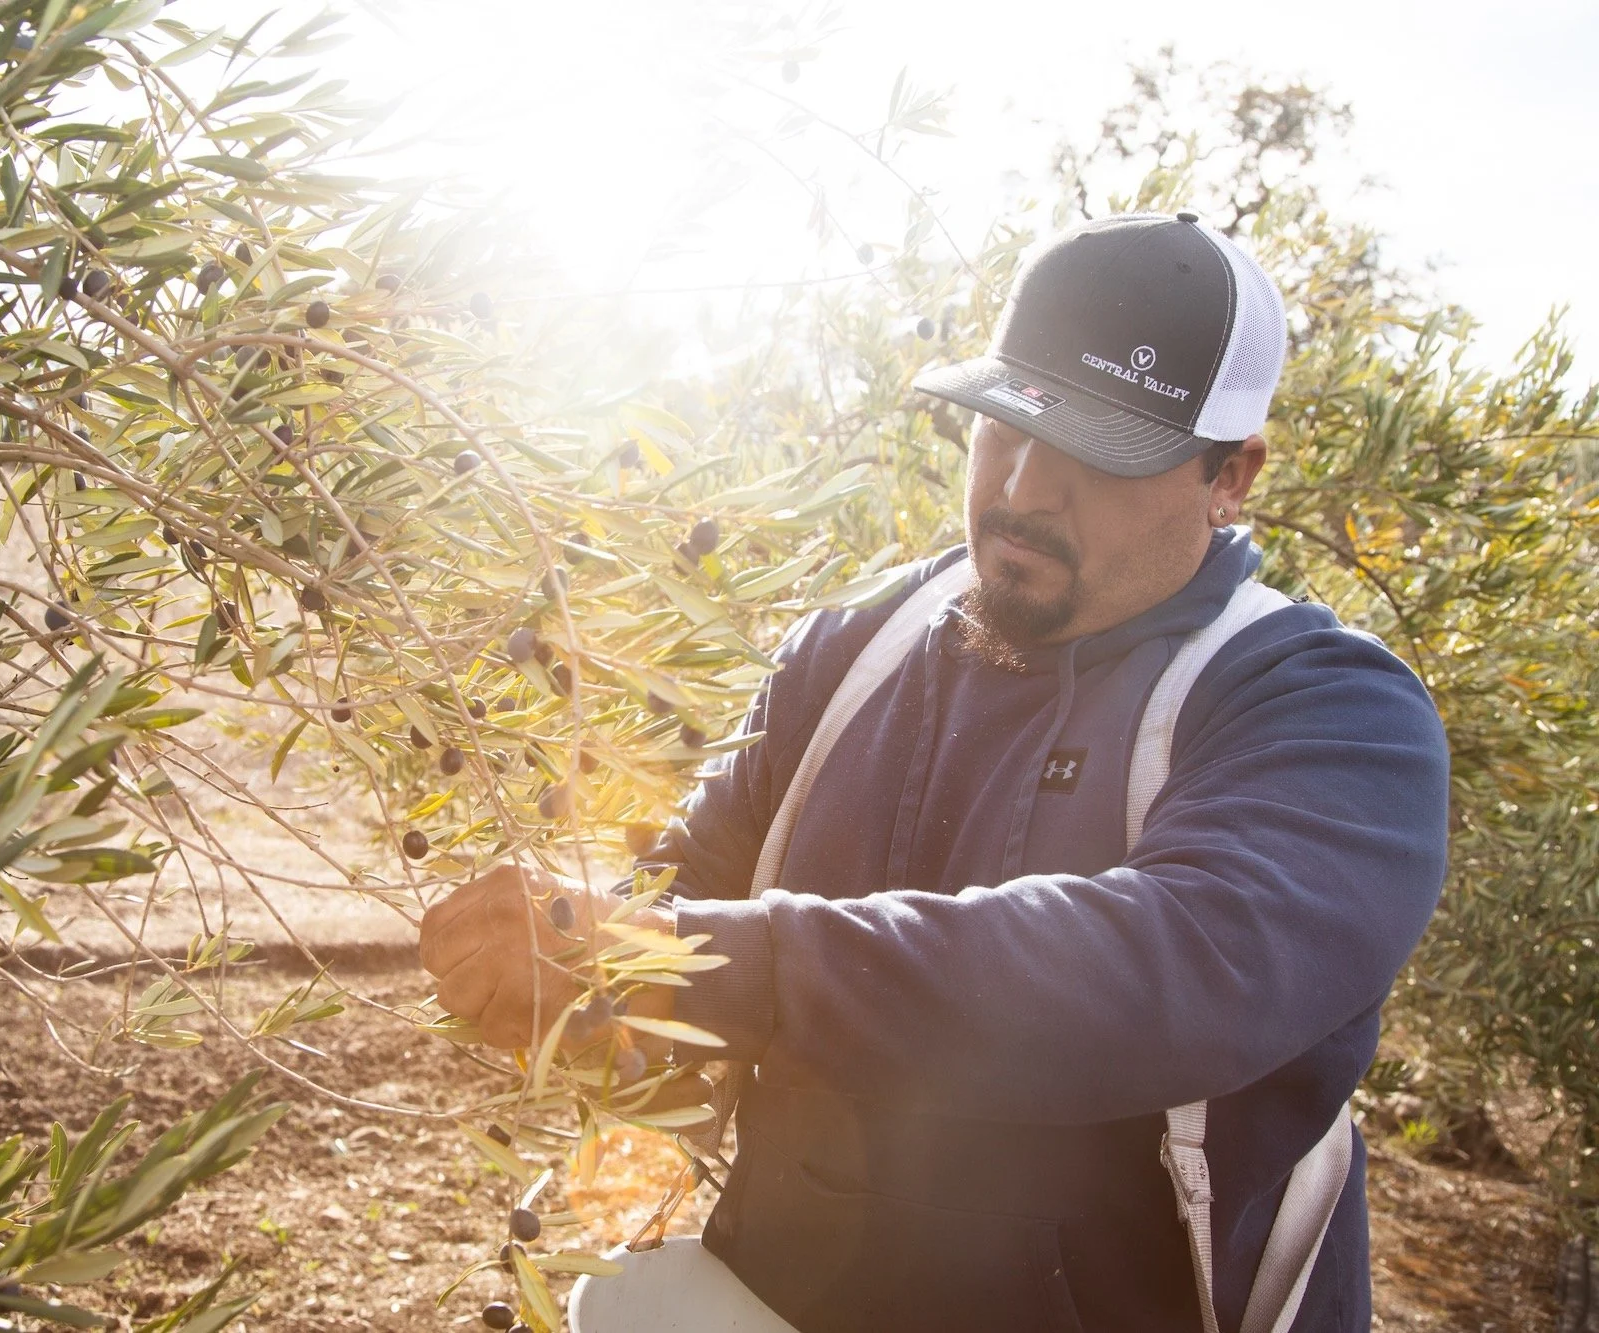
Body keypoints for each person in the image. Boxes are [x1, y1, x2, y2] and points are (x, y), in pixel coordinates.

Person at [418, 212, 1449, 1332]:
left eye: (1100, 456)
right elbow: (683, 901)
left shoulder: (1328, 710)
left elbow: (1167, 968)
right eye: (1004, 427)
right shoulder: (854, 643)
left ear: (1227, 477)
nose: (1025, 489)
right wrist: (584, 971)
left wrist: (704, 964)